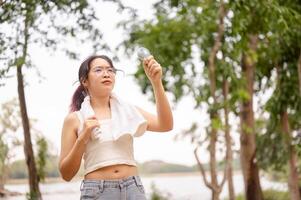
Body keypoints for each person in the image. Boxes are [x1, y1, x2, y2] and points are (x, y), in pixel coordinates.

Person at [59, 54, 173, 200]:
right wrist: (82, 138)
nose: (106, 74)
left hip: (133, 189)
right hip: (97, 191)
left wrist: (156, 83)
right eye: (98, 70)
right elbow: (66, 174)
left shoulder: (129, 111)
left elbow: (166, 125)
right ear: (84, 81)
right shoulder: (75, 119)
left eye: (110, 70)